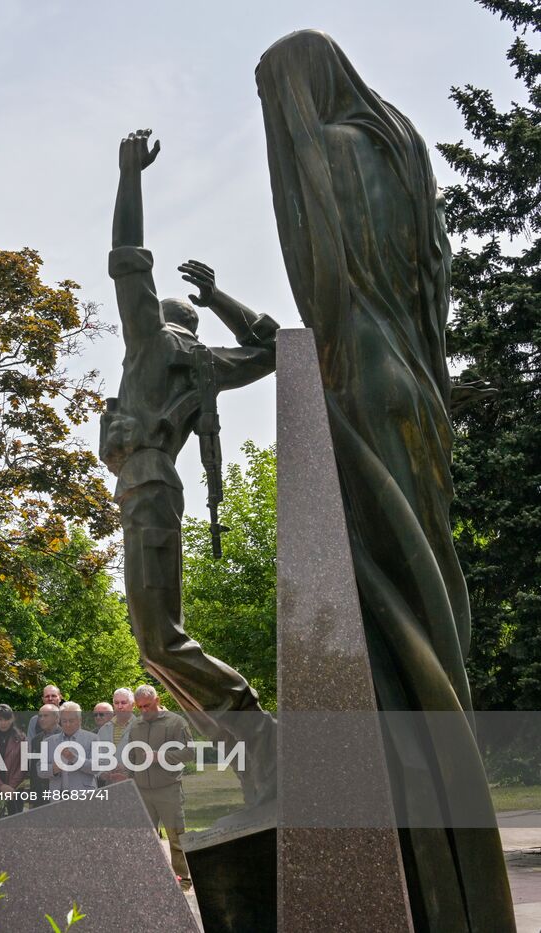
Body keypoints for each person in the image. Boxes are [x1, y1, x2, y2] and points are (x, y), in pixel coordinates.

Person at [258, 31, 513, 930]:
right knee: (430, 592)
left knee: (389, 612)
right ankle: (458, 876)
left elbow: (319, 282)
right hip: (413, 375)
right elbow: (428, 285)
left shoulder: (318, 149)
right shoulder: (399, 145)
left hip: (356, 372)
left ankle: (433, 869)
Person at [99, 127, 280, 804]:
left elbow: (126, 259)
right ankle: (252, 743)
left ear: (160, 320)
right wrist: (222, 299)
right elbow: (272, 347)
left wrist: (130, 177)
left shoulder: (152, 340)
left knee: (160, 640)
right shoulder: (205, 358)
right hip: (151, 489)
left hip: (148, 488)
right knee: (155, 647)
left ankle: (258, 730)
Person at [121, 686, 195, 890]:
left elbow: (189, 753)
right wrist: (129, 782)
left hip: (168, 790)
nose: (144, 710)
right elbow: (132, 757)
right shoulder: (136, 725)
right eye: (140, 707)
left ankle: (183, 881)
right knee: (147, 839)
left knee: (176, 838)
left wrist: (159, 756)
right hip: (143, 791)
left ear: (158, 699)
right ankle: (152, 880)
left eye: (148, 705)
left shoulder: (176, 722)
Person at [40, 702, 98, 794]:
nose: (67, 724)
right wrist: (53, 769)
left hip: (84, 794)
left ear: (80, 720)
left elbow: (96, 767)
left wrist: (74, 758)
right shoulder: (49, 741)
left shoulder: (93, 738)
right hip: (58, 796)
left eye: (71, 721)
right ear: (60, 721)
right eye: (64, 721)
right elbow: (40, 770)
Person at [97, 688, 139, 785]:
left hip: (134, 785)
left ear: (133, 705)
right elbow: (96, 757)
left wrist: (127, 769)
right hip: (108, 785)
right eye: (116, 703)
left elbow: (146, 759)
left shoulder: (142, 728)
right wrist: (102, 773)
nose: (120, 706)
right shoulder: (104, 730)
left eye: (124, 703)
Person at [25, 704, 60, 806]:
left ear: (56, 718)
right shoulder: (36, 740)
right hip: (40, 793)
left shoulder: (65, 737)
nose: (41, 719)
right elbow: (34, 769)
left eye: (46, 716)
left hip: (59, 792)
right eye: (40, 716)